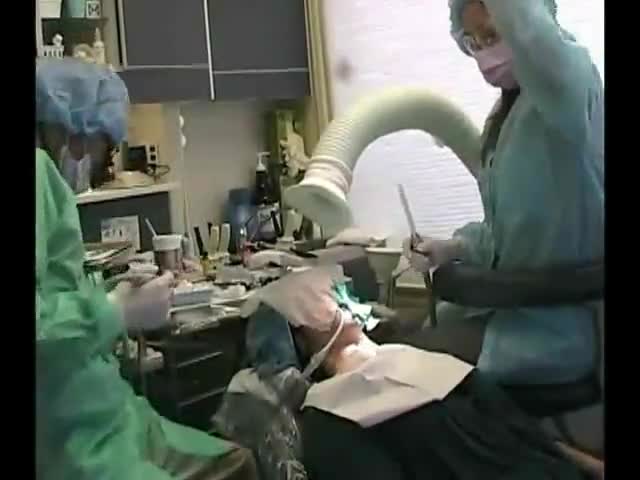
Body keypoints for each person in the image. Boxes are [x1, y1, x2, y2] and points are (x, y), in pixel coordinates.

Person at [36, 58, 257, 479]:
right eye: (102, 147)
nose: (97, 164)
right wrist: (116, 311)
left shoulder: (47, 183)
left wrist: (110, 293)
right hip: (73, 442)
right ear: (71, 127)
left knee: (237, 461)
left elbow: (52, 290)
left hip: (111, 419)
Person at [402, 0, 604, 385]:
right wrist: (452, 248)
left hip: (555, 334)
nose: (482, 52)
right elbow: (510, 233)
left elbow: (529, 28)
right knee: (403, 345)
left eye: (492, 34)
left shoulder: (568, 85)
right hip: (508, 318)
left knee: (412, 373)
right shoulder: (508, 115)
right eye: (472, 42)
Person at [278, 269, 602, 480]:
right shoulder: (329, 419)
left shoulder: (423, 360)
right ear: (299, 341)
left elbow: (524, 431)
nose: (335, 299)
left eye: (334, 292)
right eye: (312, 301)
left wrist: (592, 466)